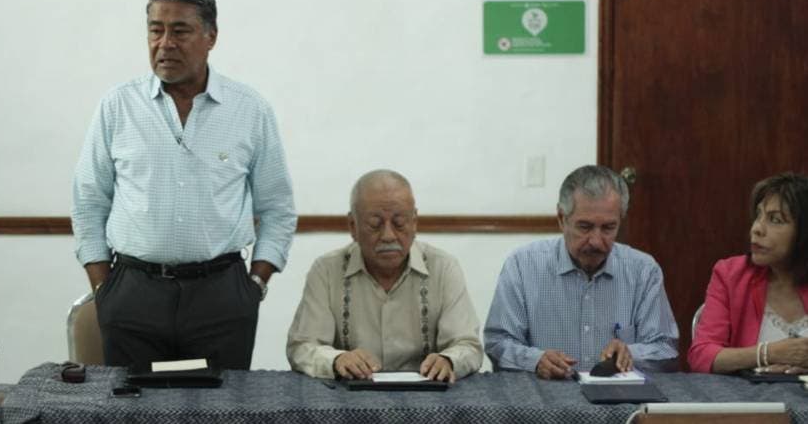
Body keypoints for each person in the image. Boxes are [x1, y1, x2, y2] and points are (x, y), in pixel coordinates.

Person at [71, 0, 296, 369]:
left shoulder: (249, 110)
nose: (165, 44)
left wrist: (255, 285)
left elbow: (277, 208)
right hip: (132, 294)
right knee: (133, 402)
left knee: (220, 402)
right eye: (155, 30)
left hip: (222, 298)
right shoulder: (118, 106)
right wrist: (104, 286)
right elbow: (89, 201)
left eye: (180, 31)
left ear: (211, 37)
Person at [484, 165, 678, 379]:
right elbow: (498, 343)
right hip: (544, 393)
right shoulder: (522, 266)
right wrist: (536, 360)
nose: (596, 241)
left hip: (619, 396)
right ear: (561, 218)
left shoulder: (643, 271)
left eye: (608, 228)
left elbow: (665, 348)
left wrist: (631, 354)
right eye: (585, 227)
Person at [287, 170, 483, 381]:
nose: (388, 236)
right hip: (349, 396)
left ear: (414, 223)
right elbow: (302, 346)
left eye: (399, 223)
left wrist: (448, 360)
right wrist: (336, 360)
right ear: (353, 226)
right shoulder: (326, 271)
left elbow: (468, 345)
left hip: (427, 396)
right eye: (375, 224)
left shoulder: (443, 268)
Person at [688, 173, 808, 374]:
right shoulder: (731, 275)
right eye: (758, 216)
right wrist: (769, 353)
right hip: (748, 394)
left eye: (775, 220)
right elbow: (701, 356)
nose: (756, 229)